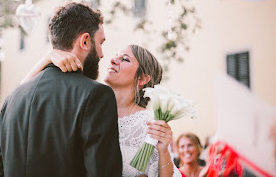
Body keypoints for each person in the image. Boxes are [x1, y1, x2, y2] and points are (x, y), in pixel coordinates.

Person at [0, 2, 123, 177]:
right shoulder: (96, 95)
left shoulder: (11, 101)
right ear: (85, 41)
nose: (102, 54)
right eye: (100, 42)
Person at [22, 44, 182, 177]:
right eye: (116, 56)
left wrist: (163, 150)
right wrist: (48, 58)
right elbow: (22, 94)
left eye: (124, 59)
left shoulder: (151, 124)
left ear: (142, 79)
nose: (112, 60)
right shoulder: (86, 106)